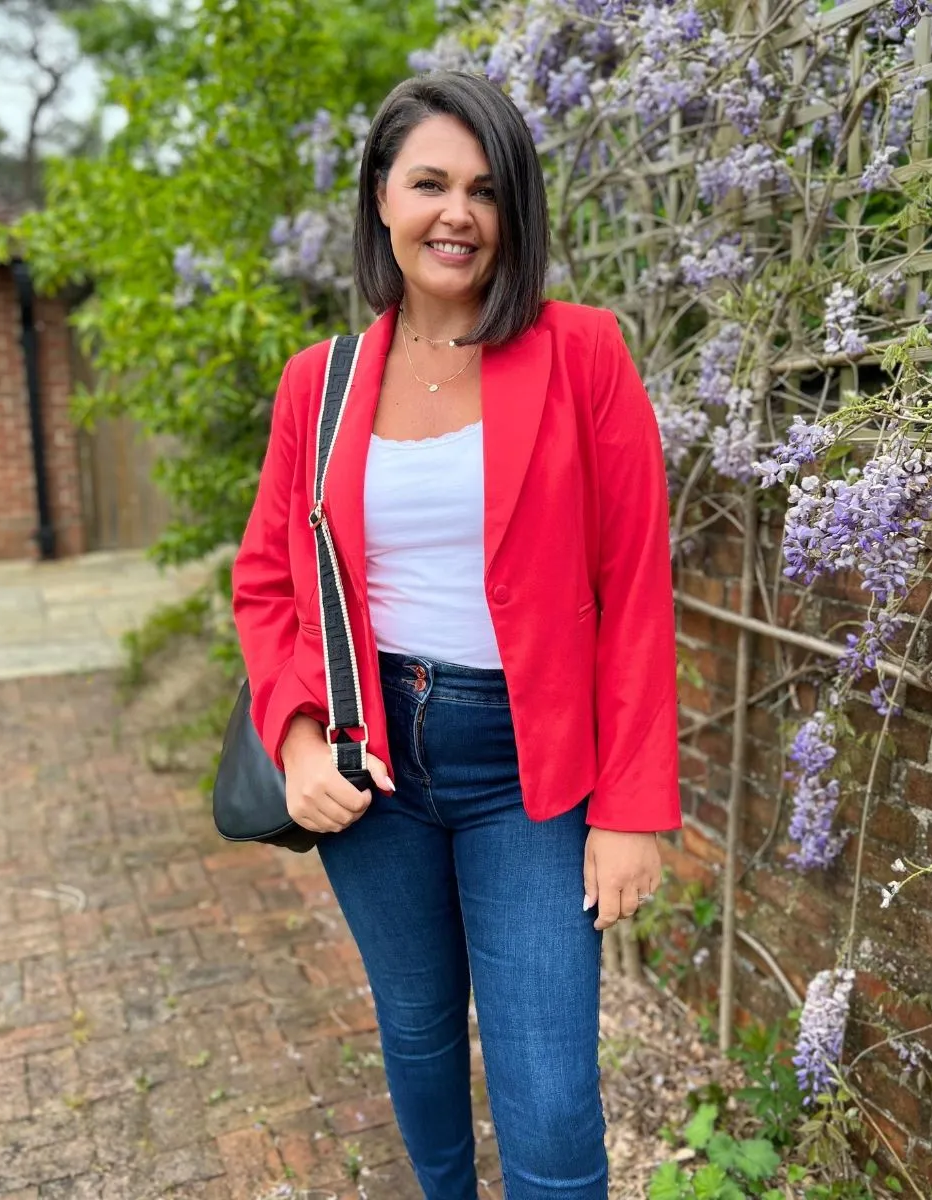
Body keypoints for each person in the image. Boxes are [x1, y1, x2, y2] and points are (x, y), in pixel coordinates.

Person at [232, 69, 681, 1200]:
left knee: (548, 1098)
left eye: (485, 190)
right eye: (429, 181)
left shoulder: (582, 353)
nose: (457, 214)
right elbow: (271, 581)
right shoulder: (317, 385)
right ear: (381, 196)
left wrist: (630, 808)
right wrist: (292, 738)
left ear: (512, 211)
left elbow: (633, 587)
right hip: (368, 756)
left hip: (528, 769)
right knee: (420, 1033)